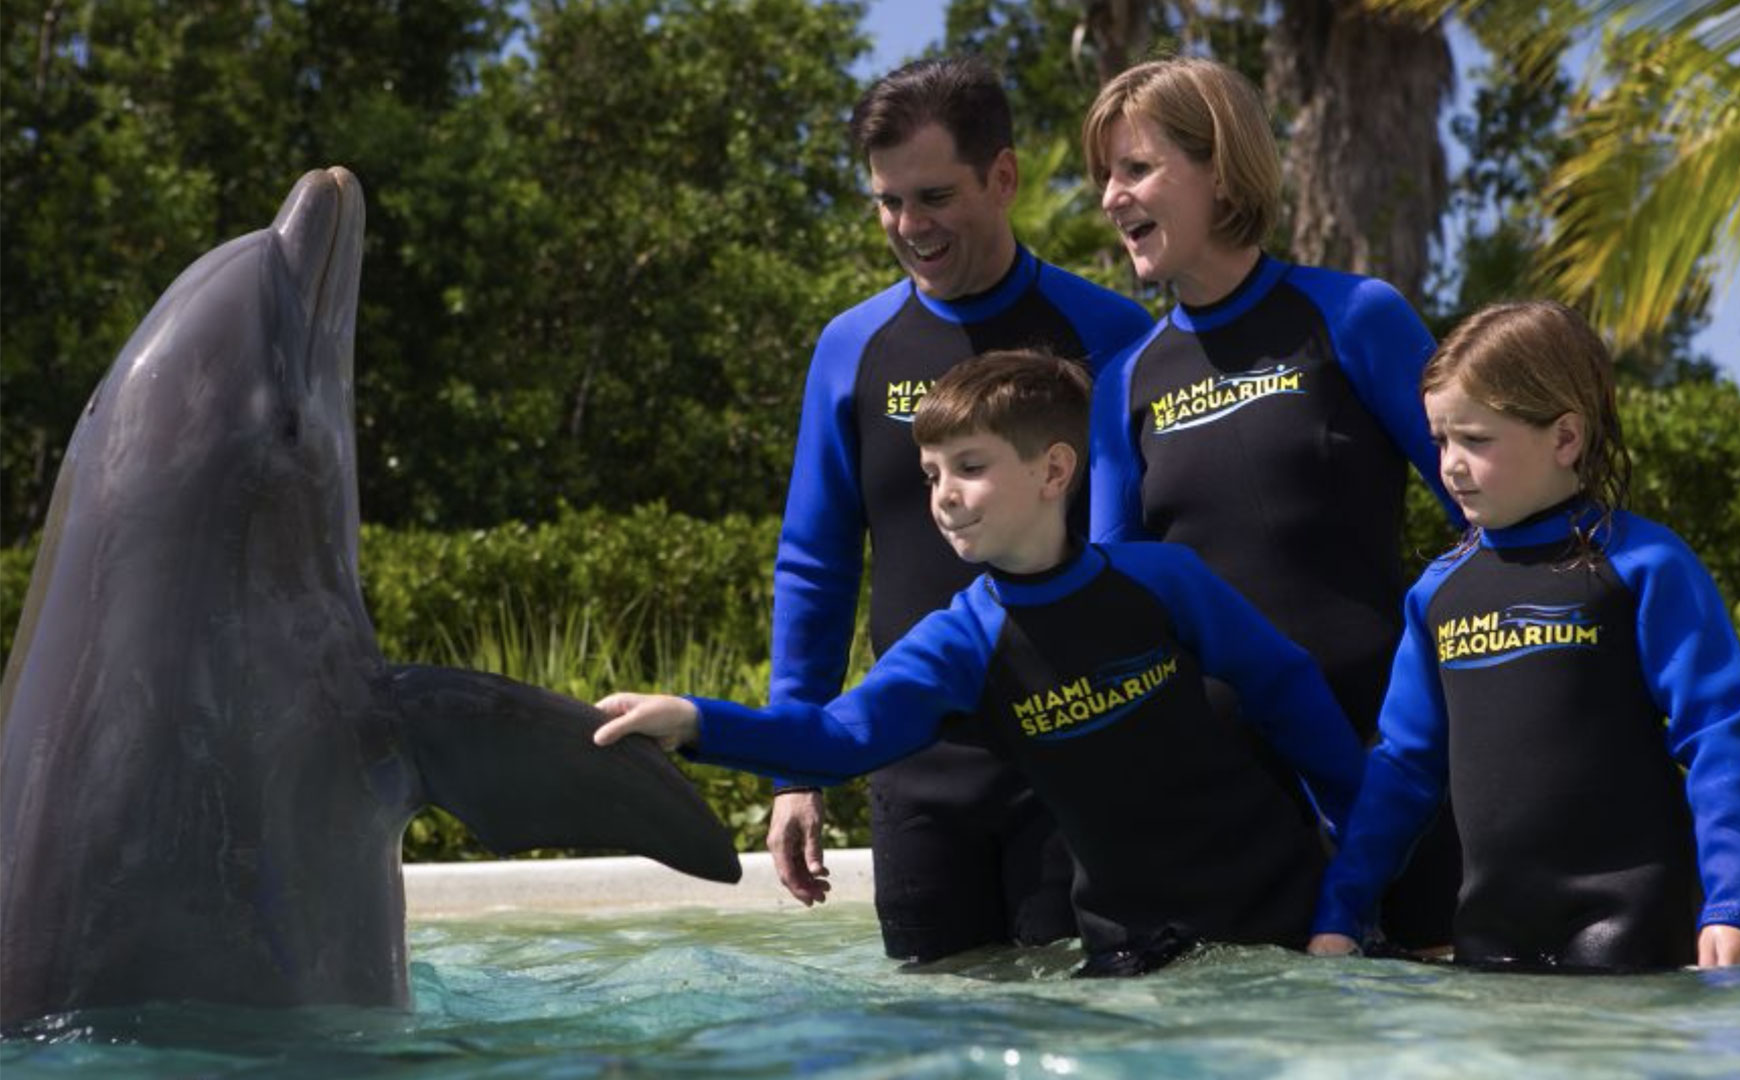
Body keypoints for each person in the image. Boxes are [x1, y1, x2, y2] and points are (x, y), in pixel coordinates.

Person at [598, 350, 1365, 977]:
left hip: (1284, 922)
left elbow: (1291, 698)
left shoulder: (1163, 581)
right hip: (1135, 957)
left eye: (969, 466)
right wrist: (696, 720)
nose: (944, 497)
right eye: (931, 474)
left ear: (1054, 471)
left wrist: (1353, 891)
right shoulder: (959, 643)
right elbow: (838, 740)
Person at [766, 58, 1155, 964]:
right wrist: (797, 766)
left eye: (934, 195)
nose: (909, 226)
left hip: (1082, 762)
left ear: (1005, 178)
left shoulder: (1111, 335)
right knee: (933, 1034)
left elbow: (1149, 553)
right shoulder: (851, 347)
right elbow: (815, 562)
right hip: (921, 772)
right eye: (887, 201)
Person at [1080, 56, 1460, 951]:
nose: (1110, 197)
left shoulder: (1356, 316)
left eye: (1135, 169)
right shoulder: (1127, 381)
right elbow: (1114, 608)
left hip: (1388, 761)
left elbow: (1486, 513)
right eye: (1106, 175)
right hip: (1231, 796)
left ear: (1219, 168)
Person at [1306, 300, 1740, 971]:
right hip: (1491, 931)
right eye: (1440, 441)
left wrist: (1737, 908)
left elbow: (1719, 734)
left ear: (1565, 438)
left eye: (1476, 440)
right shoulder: (1438, 593)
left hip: (1631, 921)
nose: (1450, 466)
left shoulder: (1643, 565)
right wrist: (1342, 911)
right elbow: (1403, 771)